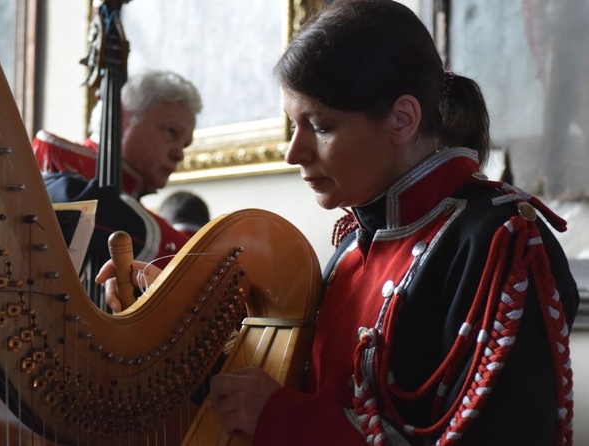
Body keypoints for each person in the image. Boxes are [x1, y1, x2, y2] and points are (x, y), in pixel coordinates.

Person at [97, 0, 580, 444]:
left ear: (402, 119)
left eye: (321, 125)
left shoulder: (502, 243)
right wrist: (171, 331)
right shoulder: (354, 242)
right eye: (292, 125)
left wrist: (284, 417)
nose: (293, 152)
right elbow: (287, 389)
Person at [33, 69, 202, 271]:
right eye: (171, 132)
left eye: (184, 145)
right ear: (121, 118)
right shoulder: (60, 174)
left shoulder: (128, 194)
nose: (179, 154)